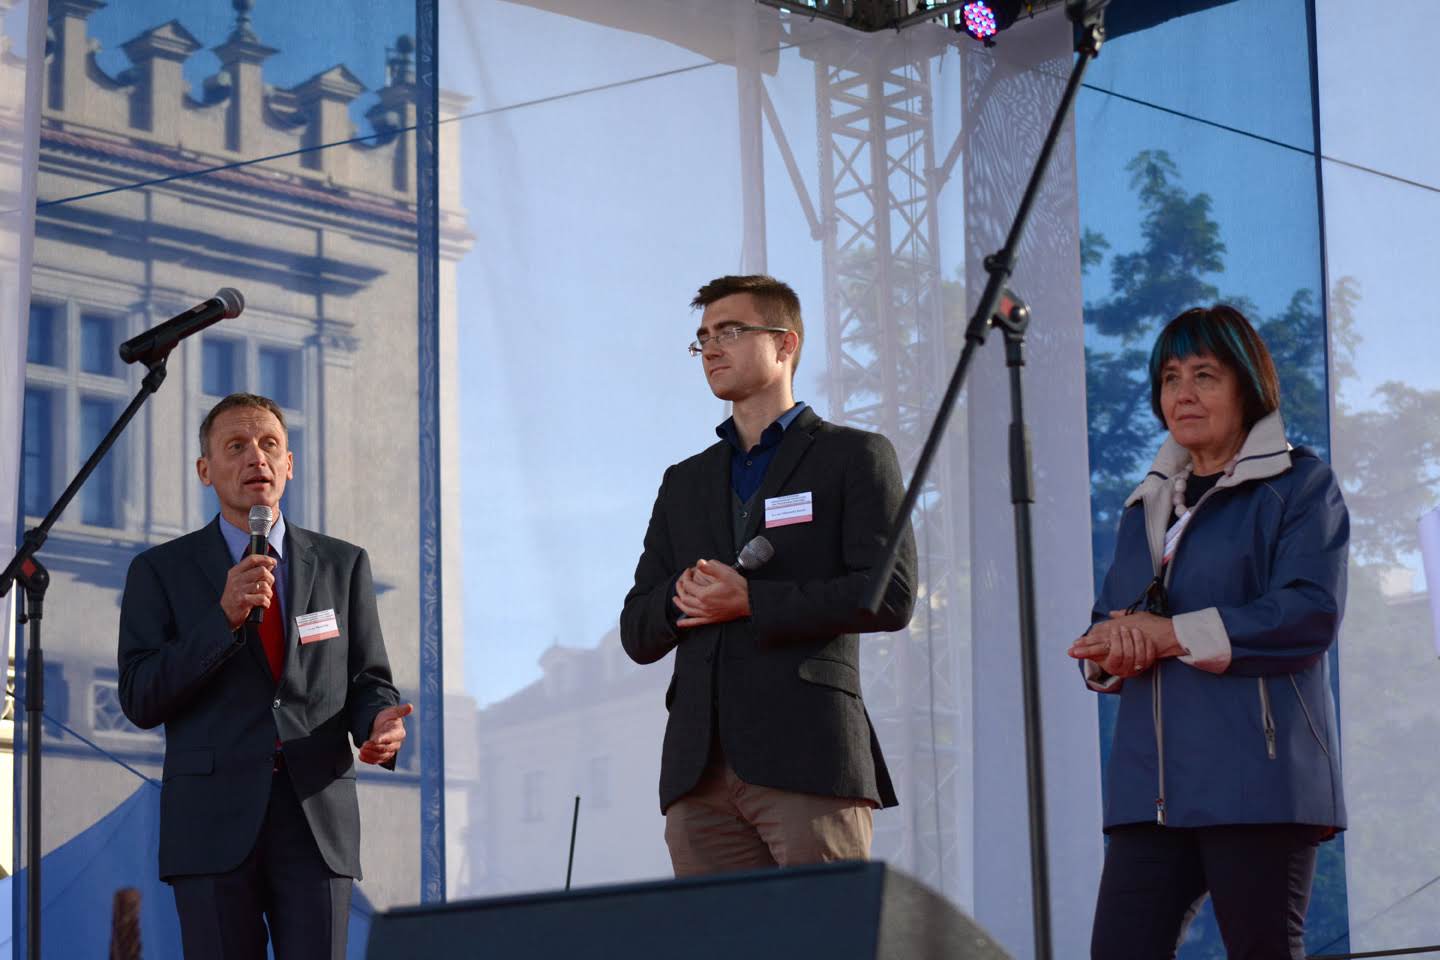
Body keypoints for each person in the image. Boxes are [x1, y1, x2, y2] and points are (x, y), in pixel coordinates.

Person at [1068, 306, 1348, 959]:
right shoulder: (1145, 505)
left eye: (1205, 375)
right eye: (1170, 378)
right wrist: (1106, 649)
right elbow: (1112, 616)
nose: (1183, 394)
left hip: (1258, 778)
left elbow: (1308, 612)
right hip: (1151, 790)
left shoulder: (1301, 485)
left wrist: (1169, 635)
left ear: (1247, 386)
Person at [620, 274, 917, 876]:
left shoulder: (854, 455)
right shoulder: (684, 481)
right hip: (699, 772)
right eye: (703, 337)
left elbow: (890, 595)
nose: (711, 348)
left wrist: (753, 601)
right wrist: (683, 598)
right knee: (717, 928)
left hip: (808, 755)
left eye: (730, 331)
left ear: (785, 344)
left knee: (819, 925)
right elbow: (637, 629)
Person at [118, 392, 412, 960]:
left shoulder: (342, 564)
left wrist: (379, 722)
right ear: (205, 470)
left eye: (269, 444)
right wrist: (221, 620)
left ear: (288, 464)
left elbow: (367, 681)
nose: (256, 457)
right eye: (236, 446)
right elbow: (140, 696)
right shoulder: (159, 571)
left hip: (315, 817)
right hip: (210, 824)